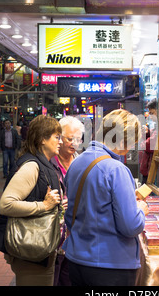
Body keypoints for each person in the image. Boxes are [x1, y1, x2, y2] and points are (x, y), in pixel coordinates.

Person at [63, 109, 149, 286]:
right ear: (125, 139)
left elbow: (71, 214)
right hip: (110, 265)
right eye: (133, 141)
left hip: (76, 258)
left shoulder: (76, 162)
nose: (133, 146)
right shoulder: (116, 169)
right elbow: (131, 225)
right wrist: (140, 209)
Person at [0, 115, 63, 286]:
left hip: (37, 249)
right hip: (31, 250)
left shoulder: (42, 163)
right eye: (57, 137)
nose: (60, 142)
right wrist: (44, 205)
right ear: (42, 139)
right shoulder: (32, 166)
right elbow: (6, 204)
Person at [50, 116, 84, 286]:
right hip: (54, 234)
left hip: (76, 232)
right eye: (70, 139)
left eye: (78, 139)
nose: (74, 143)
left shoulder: (81, 161)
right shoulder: (49, 163)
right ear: (59, 138)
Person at [139, 99, 158, 184]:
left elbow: (149, 145)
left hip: (152, 168)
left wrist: (143, 143)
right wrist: (147, 133)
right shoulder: (158, 125)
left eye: (152, 113)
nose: (150, 116)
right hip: (148, 167)